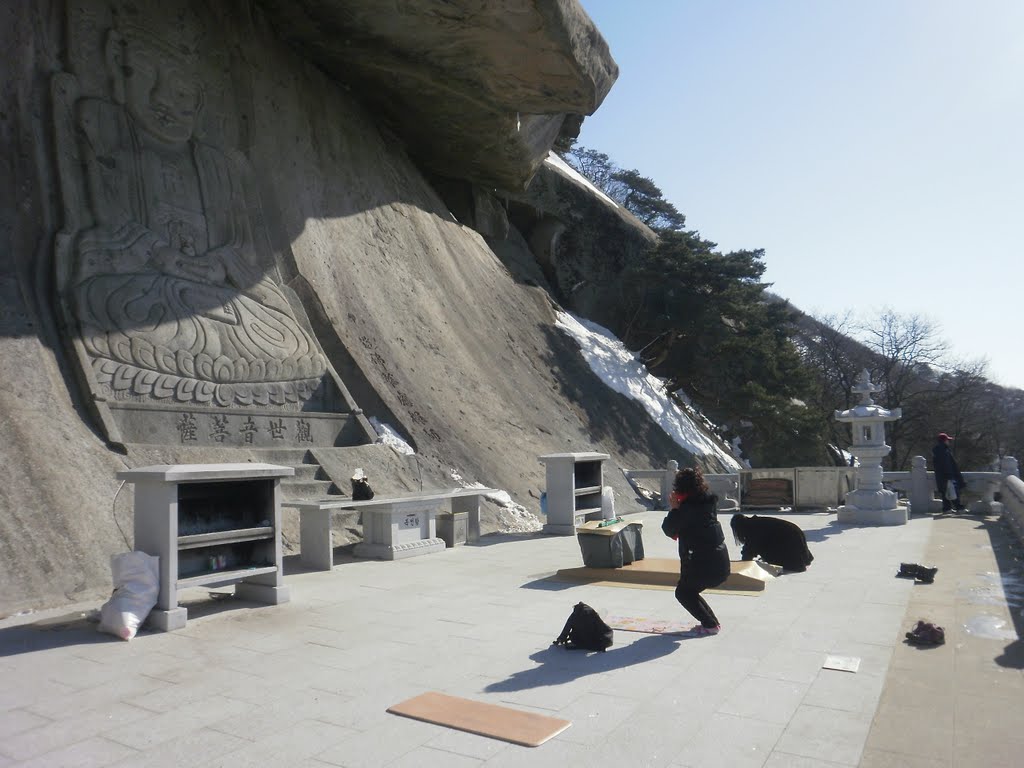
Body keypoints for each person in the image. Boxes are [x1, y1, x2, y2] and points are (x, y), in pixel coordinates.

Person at [661, 466, 730, 635]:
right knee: (689, 591)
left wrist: (675, 508)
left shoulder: (686, 510)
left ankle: (710, 625)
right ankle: (711, 623)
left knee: (683, 593)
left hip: (703, 565)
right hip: (721, 562)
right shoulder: (707, 503)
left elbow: (669, 529)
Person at [730, 514, 814, 572]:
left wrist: (744, 562)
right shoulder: (754, 523)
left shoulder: (753, 527)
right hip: (794, 532)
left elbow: (751, 547)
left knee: (773, 555)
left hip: (789, 537)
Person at [932, 433, 966, 512]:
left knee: (945, 492)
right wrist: (950, 475)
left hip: (940, 476)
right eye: (948, 440)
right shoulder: (944, 451)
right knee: (953, 491)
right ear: (944, 441)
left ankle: (947, 508)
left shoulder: (936, 451)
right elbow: (947, 464)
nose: (949, 442)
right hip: (947, 475)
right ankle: (958, 507)